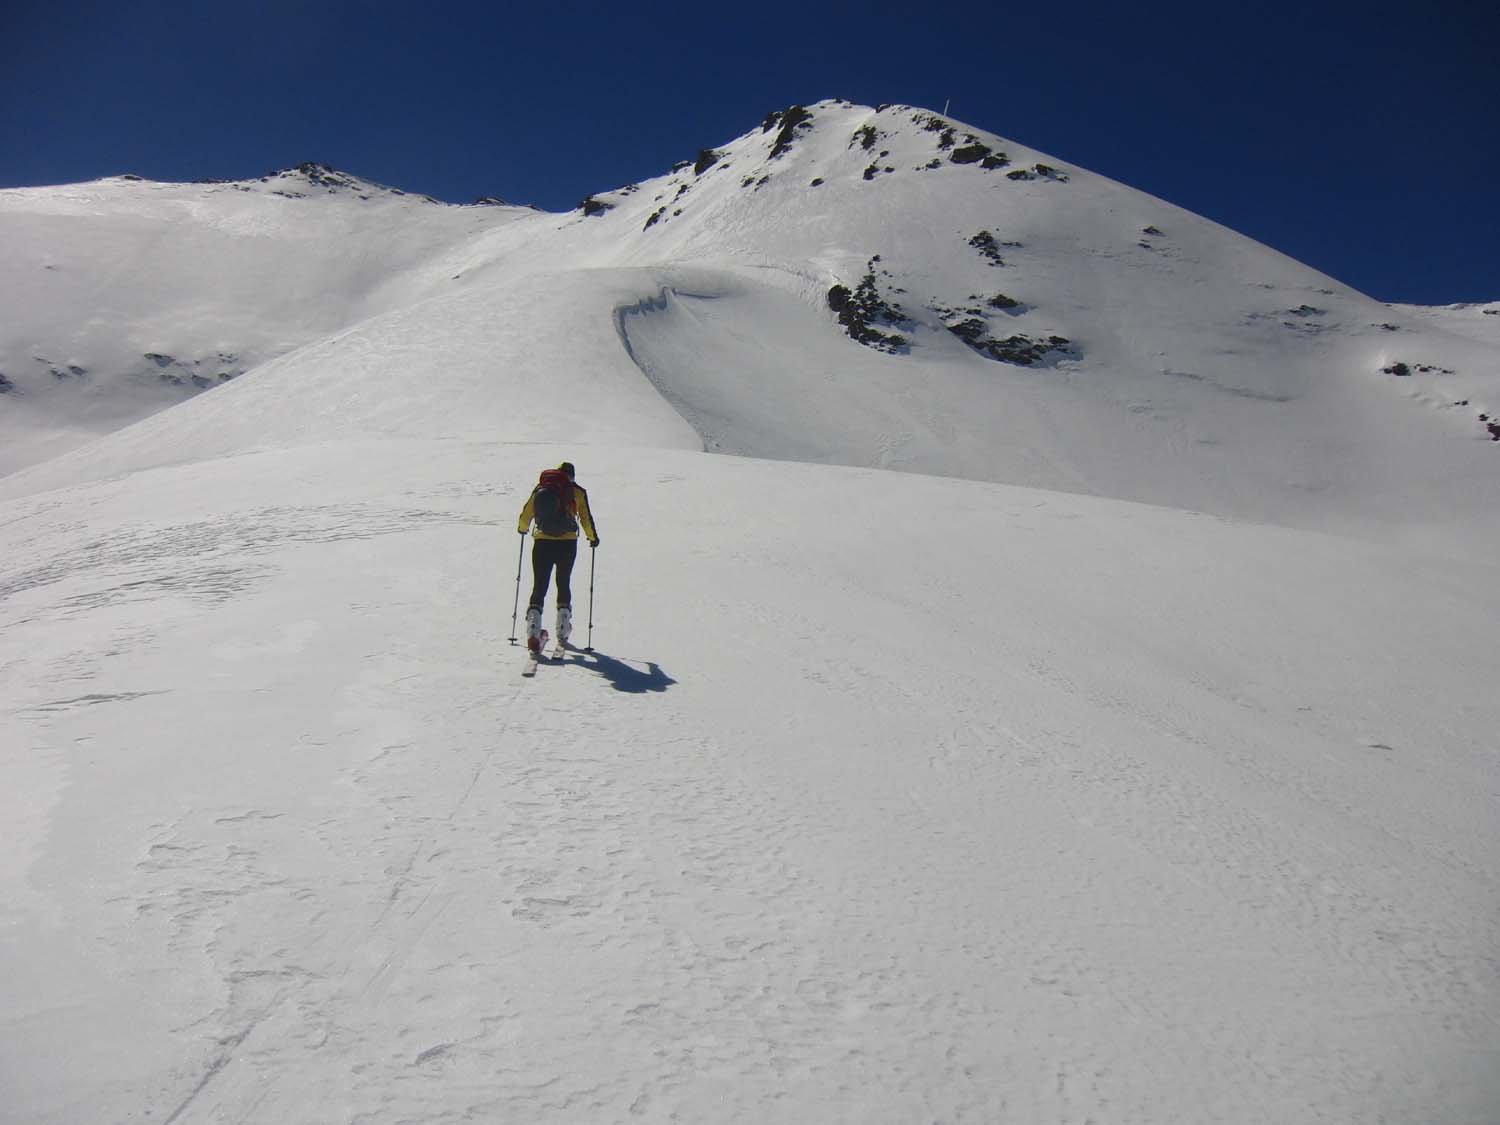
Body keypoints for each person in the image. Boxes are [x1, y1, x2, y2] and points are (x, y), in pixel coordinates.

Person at [516, 461, 598, 653]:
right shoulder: (576, 491)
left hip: (542, 542)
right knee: (563, 581)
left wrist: (522, 528)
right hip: (567, 543)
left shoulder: (541, 488)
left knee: (540, 584)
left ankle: (533, 630)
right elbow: (585, 517)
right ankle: (563, 629)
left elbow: (527, 512)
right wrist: (592, 538)